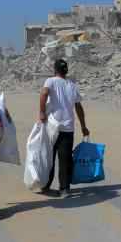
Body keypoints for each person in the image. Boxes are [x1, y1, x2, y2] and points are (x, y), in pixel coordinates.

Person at [39, 58, 89, 198]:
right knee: (65, 159)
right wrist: (83, 126)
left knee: (49, 157)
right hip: (68, 128)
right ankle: (64, 189)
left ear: (55, 70)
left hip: (52, 126)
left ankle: (45, 186)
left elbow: (44, 93)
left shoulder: (50, 81)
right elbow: (78, 107)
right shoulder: (72, 85)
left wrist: (42, 112)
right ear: (66, 71)